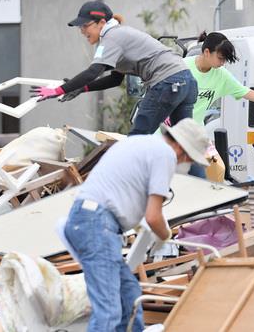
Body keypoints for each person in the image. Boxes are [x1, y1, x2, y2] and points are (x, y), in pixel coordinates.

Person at [62, 119, 208, 332]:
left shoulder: (141, 143)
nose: (184, 162)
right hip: (97, 224)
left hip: (90, 220)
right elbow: (154, 217)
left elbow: (126, 191)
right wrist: (165, 236)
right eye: (187, 157)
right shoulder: (164, 154)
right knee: (109, 310)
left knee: (128, 297)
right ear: (180, 147)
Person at [37, 1, 198, 136]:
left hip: (167, 82)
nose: (82, 31)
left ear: (101, 23)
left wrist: (59, 90)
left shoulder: (112, 37)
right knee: (185, 142)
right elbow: (115, 79)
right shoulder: (119, 35)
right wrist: (81, 88)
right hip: (186, 81)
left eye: (85, 26)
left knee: (137, 139)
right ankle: (199, 175)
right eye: (80, 28)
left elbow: (94, 71)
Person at [187, 31, 254, 125]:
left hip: (196, 129)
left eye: (224, 60)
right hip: (175, 128)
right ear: (207, 52)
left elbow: (244, 91)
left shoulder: (221, 75)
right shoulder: (183, 66)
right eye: (220, 58)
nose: (222, 63)